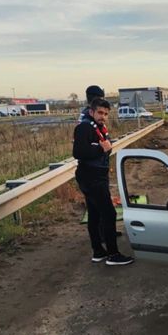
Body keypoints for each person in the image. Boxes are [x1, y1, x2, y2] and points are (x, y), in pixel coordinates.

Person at [73, 98, 134, 266]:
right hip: (91, 177)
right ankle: (113, 255)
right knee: (109, 213)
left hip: (96, 175)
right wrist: (102, 148)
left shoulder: (99, 127)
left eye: (106, 114)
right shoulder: (84, 127)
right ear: (91, 112)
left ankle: (98, 252)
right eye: (100, 113)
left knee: (94, 214)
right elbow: (78, 151)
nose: (103, 116)